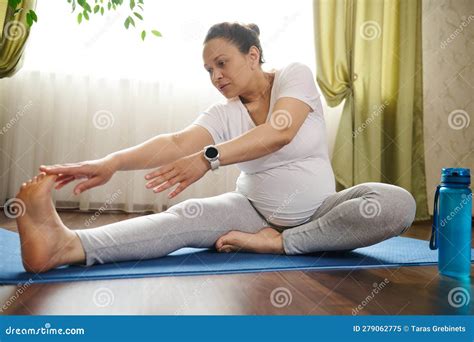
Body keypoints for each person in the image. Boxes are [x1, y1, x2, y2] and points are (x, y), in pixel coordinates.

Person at [14, 22, 416, 274]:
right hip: (250, 210)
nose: (215, 76)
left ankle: (281, 244)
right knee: (183, 216)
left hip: (319, 213)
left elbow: (280, 131)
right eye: (208, 70)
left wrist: (210, 159)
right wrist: (110, 162)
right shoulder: (223, 112)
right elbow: (174, 143)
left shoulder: (294, 77)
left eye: (222, 63)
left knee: (396, 203)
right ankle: (64, 245)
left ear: (253, 55)